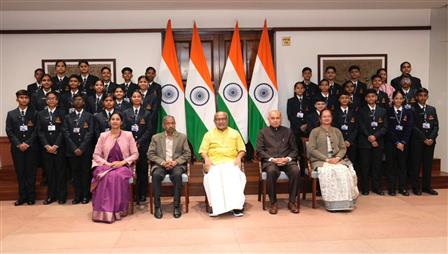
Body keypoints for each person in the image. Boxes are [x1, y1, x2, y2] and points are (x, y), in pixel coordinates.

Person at [91, 112, 139, 223]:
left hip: (123, 166)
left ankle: (117, 210)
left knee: (115, 175)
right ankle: (102, 211)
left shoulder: (128, 135)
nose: (115, 121)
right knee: (106, 175)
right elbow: (96, 155)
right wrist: (106, 164)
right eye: (113, 119)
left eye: (118, 119)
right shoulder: (103, 136)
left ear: (121, 122)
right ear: (109, 121)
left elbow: (135, 154)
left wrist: (122, 162)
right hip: (105, 166)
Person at [307, 109, 359, 211]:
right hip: (320, 161)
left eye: (329, 116)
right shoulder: (315, 131)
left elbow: (343, 148)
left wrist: (338, 158)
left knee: (344, 170)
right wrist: (326, 159)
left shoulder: (337, 131)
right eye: (324, 117)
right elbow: (311, 149)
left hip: (336, 160)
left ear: (332, 118)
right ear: (320, 119)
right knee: (329, 172)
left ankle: (345, 203)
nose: (327, 118)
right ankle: (331, 204)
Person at [200, 112, 246, 217]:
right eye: (218, 119)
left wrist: (239, 158)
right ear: (214, 121)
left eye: (223, 119)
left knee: (236, 176)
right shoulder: (208, 134)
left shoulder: (235, 133)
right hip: (214, 163)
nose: (221, 121)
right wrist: (206, 158)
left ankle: (236, 207)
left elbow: (242, 149)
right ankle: (216, 207)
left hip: (231, 162)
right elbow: (202, 151)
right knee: (212, 178)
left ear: (227, 120)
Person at [256, 110, 300, 214]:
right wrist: (272, 159)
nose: (275, 120)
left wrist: (287, 159)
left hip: (286, 161)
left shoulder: (288, 131)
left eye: (277, 118)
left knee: (295, 170)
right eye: (273, 118)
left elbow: (295, 150)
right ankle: (273, 203)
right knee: (271, 171)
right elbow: (259, 150)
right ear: (269, 119)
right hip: (270, 161)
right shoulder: (263, 132)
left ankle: (292, 202)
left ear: (281, 119)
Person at [148, 115, 191, 219]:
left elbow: (187, 154)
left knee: (177, 175)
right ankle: (157, 206)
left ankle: (176, 206)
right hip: (160, 165)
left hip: (176, 165)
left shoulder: (182, 137)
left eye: (172, 123)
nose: (170, 125)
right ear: (163, 125)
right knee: (156, 175)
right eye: (168, 123)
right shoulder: (156, 137)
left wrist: (175, 162)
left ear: (175, 124)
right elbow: (150, 154)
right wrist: (163, 162)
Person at [6, 90, 38, 205]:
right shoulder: (11, 114)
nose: (24, 99)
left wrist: (27, 143)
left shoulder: (34, 113)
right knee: (20, 173)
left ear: (29, 99)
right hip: (17, 149)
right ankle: (22, 196)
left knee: (31, 173)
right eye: (21, 97)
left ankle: (31, 197)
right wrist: (19, 144)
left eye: (26, 97)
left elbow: (36, 130)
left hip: (31, 148)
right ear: (17, 99)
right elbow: (9, 131)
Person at [62, 94, 94, 204]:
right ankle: (77, 196)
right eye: (75, 100)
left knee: (86, 173)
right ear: (72, 102)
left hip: (86, 150)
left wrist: (82, 147)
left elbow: (90, 133)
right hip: (72, 151)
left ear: (84, 102)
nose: (78, 101)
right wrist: (74, 148)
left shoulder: (89, 116)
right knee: (75, 174)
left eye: (80, 100)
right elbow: (66, 133)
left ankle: (85, 195)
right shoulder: (67, 117)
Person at [122, 91, 152, 204]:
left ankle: (142, 194)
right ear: (131, 98)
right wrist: (131, 143)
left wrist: (139, 141)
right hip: (128, 146)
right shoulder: (125, 112)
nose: (136, 98)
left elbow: (149, 130)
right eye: (134, 96)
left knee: (142, 171)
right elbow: (124, 129)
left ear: (141, 98)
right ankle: (132, 194)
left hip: (143, 145)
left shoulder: (147, 113)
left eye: (138, 96)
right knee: (129, 171)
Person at [37, 91, 67, 204]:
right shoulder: (41, 114)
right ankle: (51, 196)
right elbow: (39, 131)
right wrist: (46, 145)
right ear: (46, 100)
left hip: (59, 147)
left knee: (61, 172)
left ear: (57, 100)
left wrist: (55, 145)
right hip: (46, 149)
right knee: (49, 173)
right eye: (49, 98)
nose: (51, 100)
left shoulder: (62, 113)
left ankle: (61, 196)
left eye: (53, 98)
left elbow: (63, 130)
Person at [357, 89, 388, 195]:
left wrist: (375, 136)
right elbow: (361, 126)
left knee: (377, 166)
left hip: (378, 142)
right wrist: (369, 137)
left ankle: (376, 187)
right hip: (364, 142)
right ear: (365, 98)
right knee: (365, 166)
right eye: (368, 96)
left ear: (376, 97)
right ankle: (365, 188)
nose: (371, 98)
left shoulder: (382, 111)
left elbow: (385, 127)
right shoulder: (361, 110)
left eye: (373, 96)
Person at [409, 88, 439, 195]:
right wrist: (424, 139)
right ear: (416, 97)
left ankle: (427, 187)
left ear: (427, 97)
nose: (423, 97)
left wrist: (431, 138)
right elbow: (413, 127)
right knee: (416, 165)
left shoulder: (432, 109)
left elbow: (435, 126)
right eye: (420, 95)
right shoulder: (412, 109)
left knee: (428, 165)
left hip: (430, 142)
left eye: (425, 95)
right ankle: (416, 187)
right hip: (417, 141)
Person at [385, 90, 414, 196]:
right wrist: (396, 142)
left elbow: (409, 128)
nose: (398, 100)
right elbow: (388, 128)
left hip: (404, 144)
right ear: (392, 99)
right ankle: (391, 188)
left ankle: (402, 188)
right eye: (396, 98)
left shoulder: (408, 112)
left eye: (400, 98)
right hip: (391, 143)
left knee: (403, 166)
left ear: (403, 100)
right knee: (391, 166)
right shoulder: (388, 111)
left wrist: (403, 142)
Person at [287, 81, 312, 169]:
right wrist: (299, 126)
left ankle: (306, 168)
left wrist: (306, 125)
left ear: (304, 89)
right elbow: (290, 116)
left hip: (306, 129)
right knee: (296, 149)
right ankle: (298, 170)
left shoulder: (308, 101)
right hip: (295, 130)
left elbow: (311, 115)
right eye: (298, 88)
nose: (300, 89)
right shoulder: (291, 101)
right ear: (295, 89)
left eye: (302, 88)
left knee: (306, 150)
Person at [332, 92, 358, 174]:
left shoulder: (354, 112)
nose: (344, 100)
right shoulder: (334, 112)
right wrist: (342, 141)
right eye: (342, 98)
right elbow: (334, 128)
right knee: (340, 164)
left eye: (346, 98)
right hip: (339, 143)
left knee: (352, 164)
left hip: (352, 143)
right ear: (339, 100)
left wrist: (349, 140)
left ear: (349, 99)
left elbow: (357, 128)